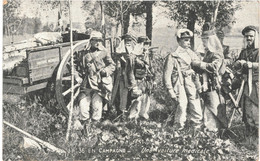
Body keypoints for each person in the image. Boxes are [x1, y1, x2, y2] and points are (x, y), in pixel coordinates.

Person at [163, 29, 203, 130]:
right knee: (181, 104)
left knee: (195, 103)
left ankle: (196, 128)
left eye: (189, 40)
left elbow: (198, 67)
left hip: (191, 82)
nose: (188, 42)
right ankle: (178, 128)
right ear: (179, 41)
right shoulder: (172, 56)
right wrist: (170, 90)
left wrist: (192, 72)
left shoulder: (192, 54)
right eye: (185, 40)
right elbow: (166, 76)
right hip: (179, 83)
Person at [192, 23, 227, 132]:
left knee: (213, 109)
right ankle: (211, 135)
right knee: (207, 109)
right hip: (206, 86)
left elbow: (214, 67)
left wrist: (199, 64)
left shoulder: (217, 54)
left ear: (211, 41)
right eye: (202, 41)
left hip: (213, 86)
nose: (203, 43)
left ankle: (214, 134)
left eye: (205, 41)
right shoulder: (207, 54)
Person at [76, 31, 115, 125]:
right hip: (86, 83)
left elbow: (112, 65)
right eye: (95, 40)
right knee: (83, 106)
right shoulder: (83, 52)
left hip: (99, 84)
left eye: (100, 41)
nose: (98, 43)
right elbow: (74, 64)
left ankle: (95, 128)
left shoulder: (104, 52)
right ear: (91, 41)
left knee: (97, 106)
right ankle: (85, 128)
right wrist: (76, 76)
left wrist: (105, 71)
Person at [233, 25, 259, 147]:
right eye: (247, 36)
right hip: (245, 86)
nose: (249, 38)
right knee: (247, 113)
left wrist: (250, 64)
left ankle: (258, 142)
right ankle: (249, 140)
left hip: (256, 85)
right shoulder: (244, 52)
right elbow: (238, 66)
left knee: (256, 113)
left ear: (256, 37)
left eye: (251, 36)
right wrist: (238, 64)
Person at [112, 32, 143, 117]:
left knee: (135, 96)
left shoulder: (137, 54)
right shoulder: (119, 54)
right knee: (121, 96)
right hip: (121, 79)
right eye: (126, 40)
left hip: (135, 79)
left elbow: (142, 66)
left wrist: (138, 62)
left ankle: (132, 115)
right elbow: (115, 66)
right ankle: (120, 114)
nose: (128, 42)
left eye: (130, 40)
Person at [128, 36, 155, 120]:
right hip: (137, 81)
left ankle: (142, 118)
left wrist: (153, 81)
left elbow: (151, 69)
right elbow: (130, 71)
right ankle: (132, 119)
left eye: (147, 44)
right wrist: (133, 85)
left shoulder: (148, 55)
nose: (146, 46)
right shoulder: (133, 57)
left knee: (145, 101)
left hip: (146, 82)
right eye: (145, 43)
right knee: (136, 101)